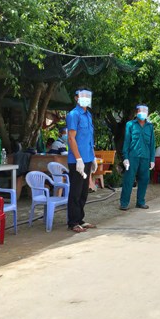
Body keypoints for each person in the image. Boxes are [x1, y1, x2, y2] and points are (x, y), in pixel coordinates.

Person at [66, 89, 98, 233]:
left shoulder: (88, 115)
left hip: (87, 158)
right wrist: (78, 158)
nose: (85, 99)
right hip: (77, 160)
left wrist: (93, 157)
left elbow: (89, 140)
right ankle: (73, 222)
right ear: (76, 98)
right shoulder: (73, 115)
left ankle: (80, 219)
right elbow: (71, 138)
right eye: (82, 96)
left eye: (87, 97)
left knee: (84, 192)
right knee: (75, 191)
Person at [120, 104, 155, 211]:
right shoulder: (130, 125)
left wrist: (152, 159)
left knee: (144, 180)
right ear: (136, 112)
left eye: (145, 111)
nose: (143, 113)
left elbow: (152, 144)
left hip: (145, 157)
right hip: (132, 157)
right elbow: (126, 141)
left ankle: (140, 202)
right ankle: (124, 203)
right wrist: (125, 157)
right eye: (141, 111)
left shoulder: (150, 127)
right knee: (128, 180)